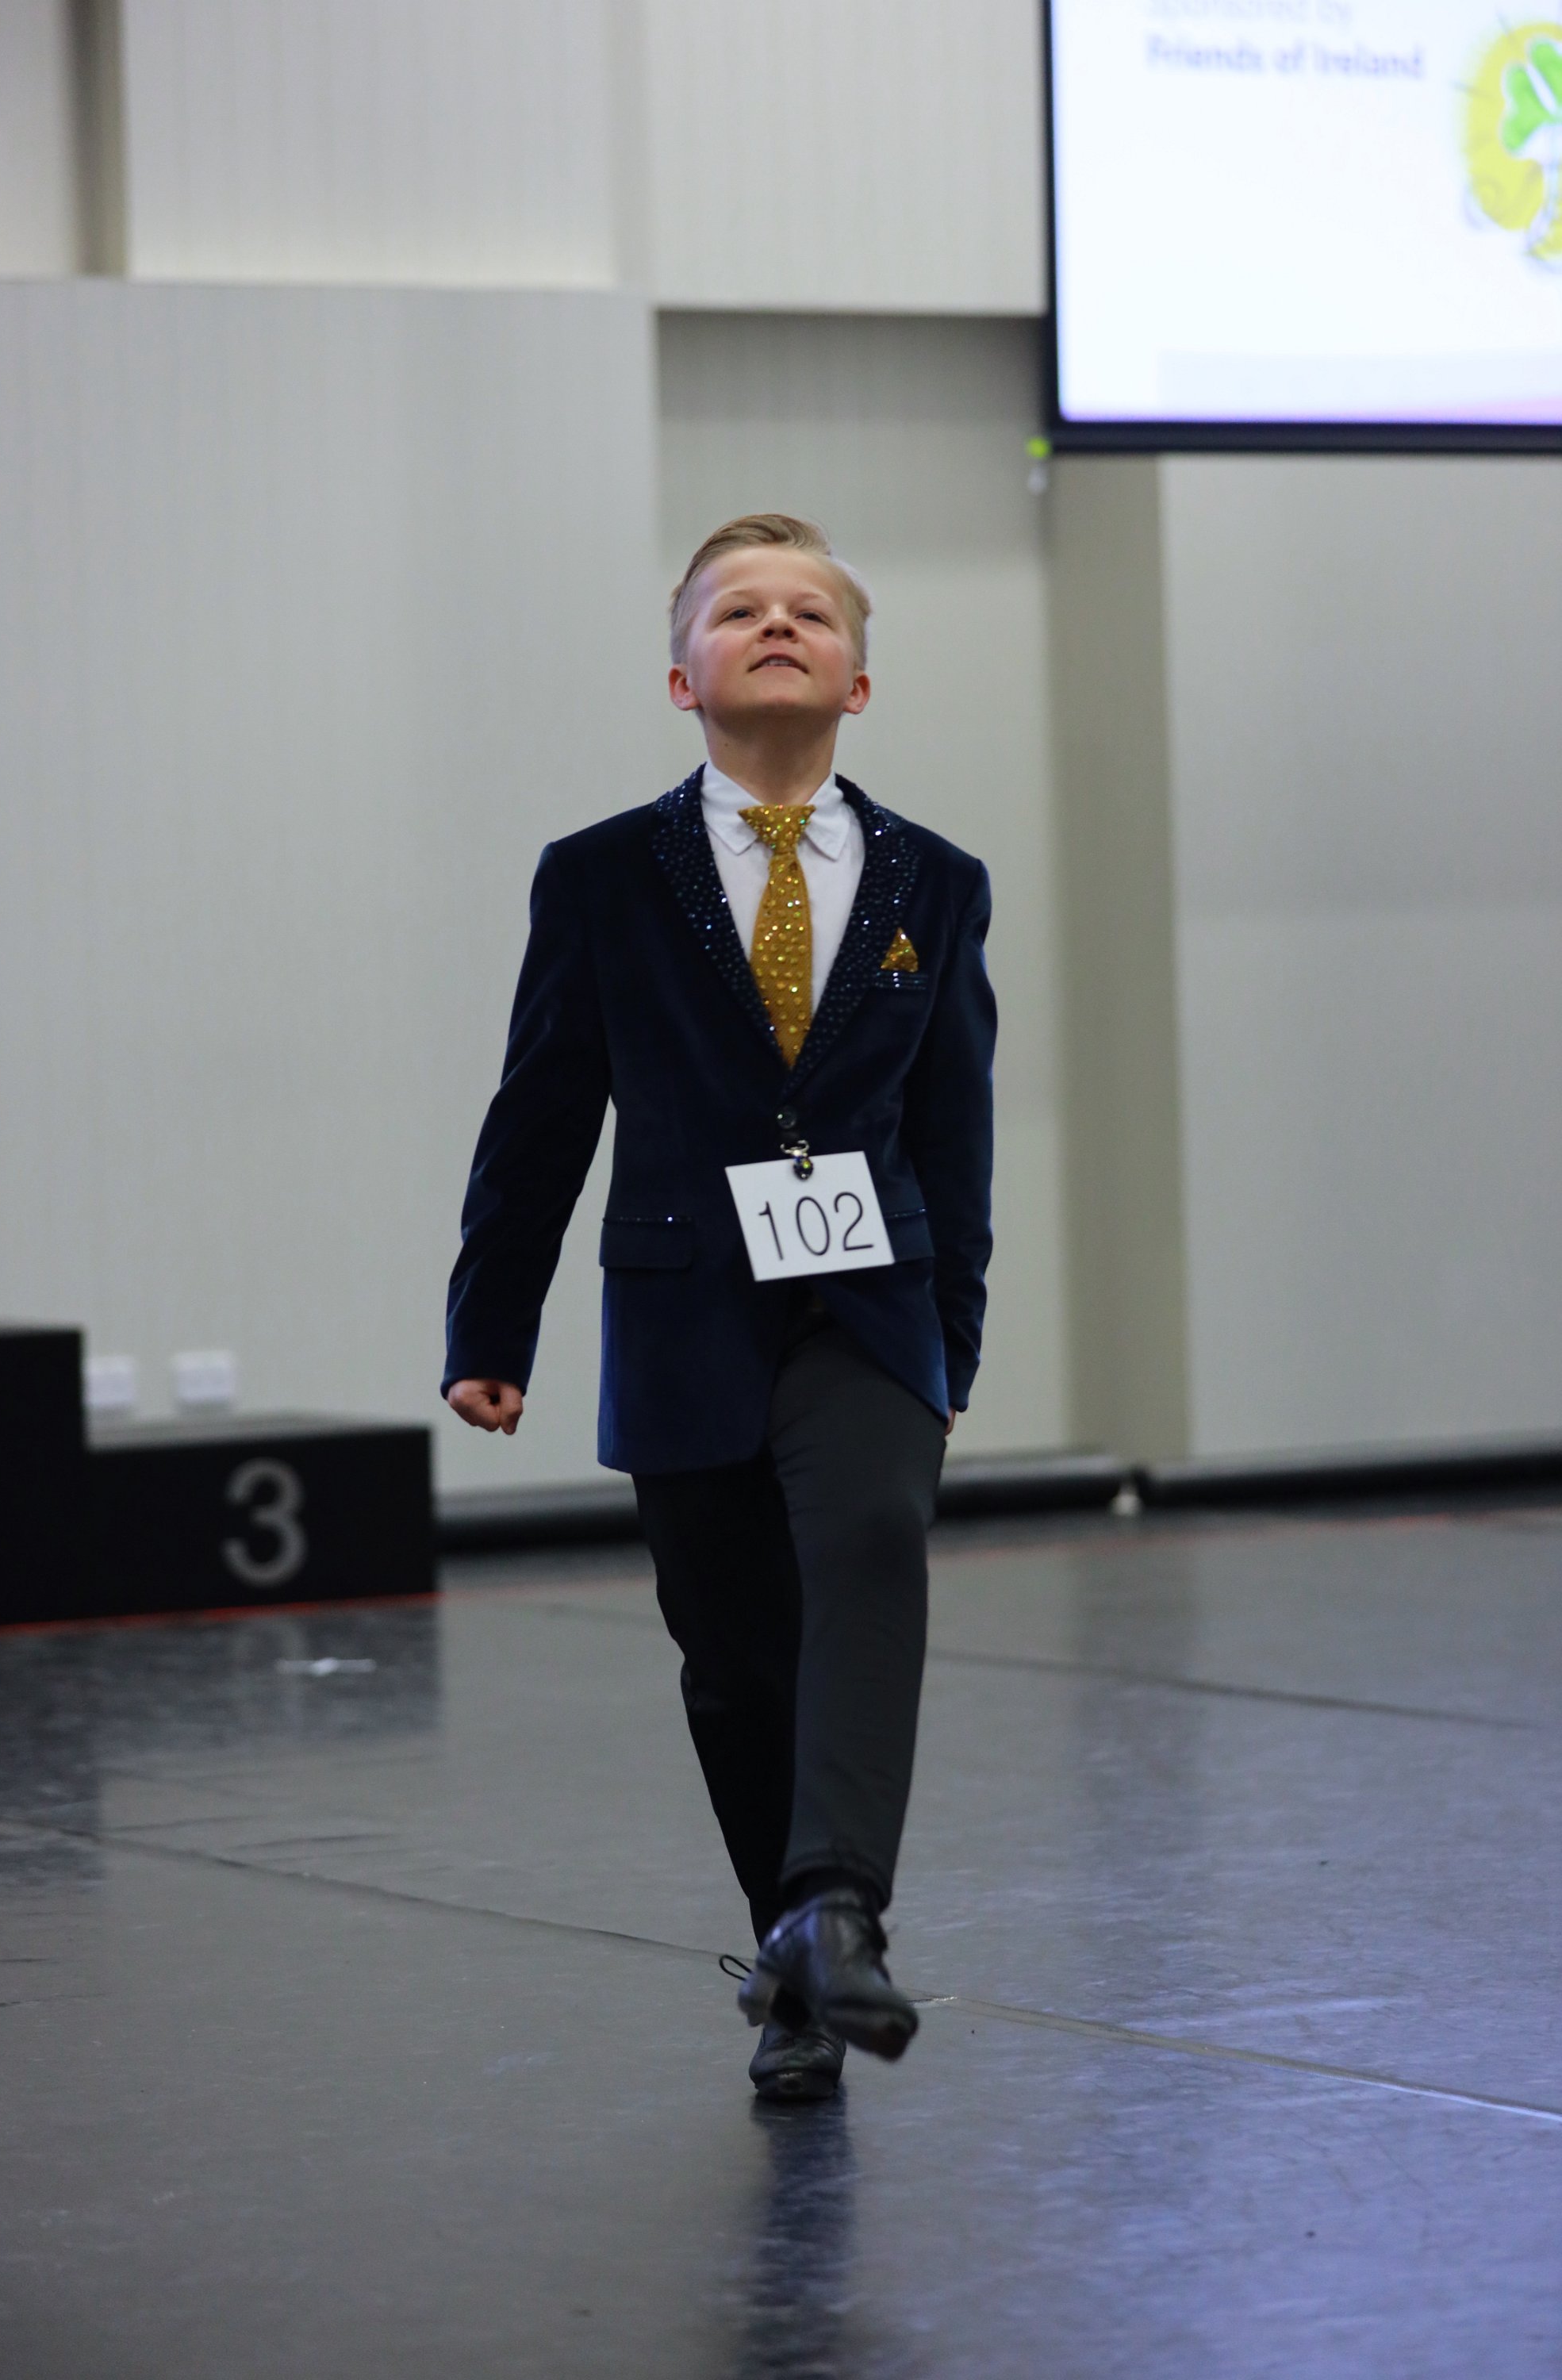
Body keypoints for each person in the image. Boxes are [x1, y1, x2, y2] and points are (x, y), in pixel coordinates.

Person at [443, 513, 995, 2102]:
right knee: (738, 1662)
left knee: (872, 1539)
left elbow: (954, 1128)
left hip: (871, 1309)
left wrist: (952, 1337)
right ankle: (792, 1968)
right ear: (680, 676)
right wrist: (492, 1328)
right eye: (736, 610)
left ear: (858, 681)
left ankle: (839, 1905)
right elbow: (543, 1109)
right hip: (686, 1312)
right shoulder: (602, 876)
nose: (775, 626)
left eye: (808, 611)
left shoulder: (937, 881)